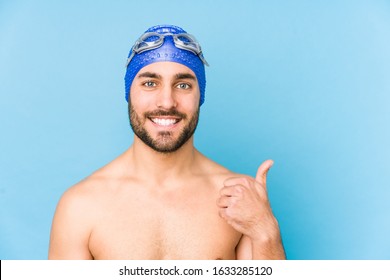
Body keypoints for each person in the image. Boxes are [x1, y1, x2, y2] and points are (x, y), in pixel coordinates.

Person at [48, 24, 286, 260]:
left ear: (200, 96)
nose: (167, 102)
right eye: (150, 83)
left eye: (183, 85)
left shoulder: (238, 197)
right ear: (129, 94)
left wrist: (266, 231)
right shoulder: (80, 206)